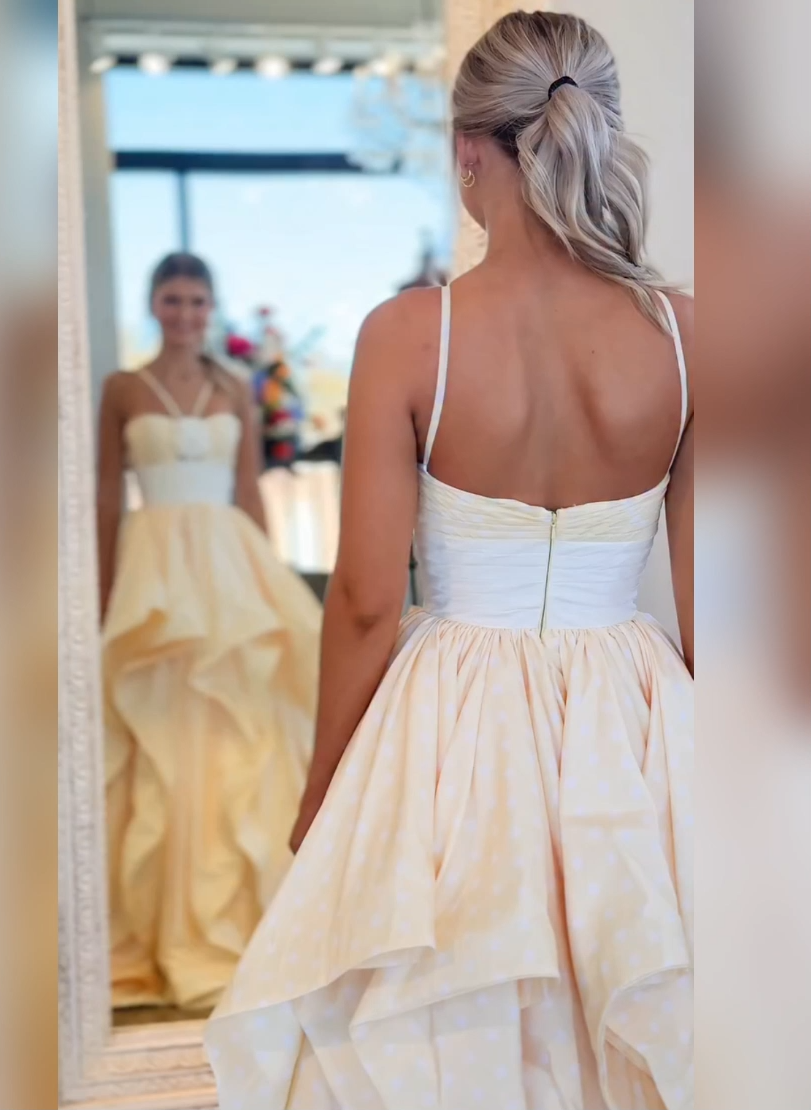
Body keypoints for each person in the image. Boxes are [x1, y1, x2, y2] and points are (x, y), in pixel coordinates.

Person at [206, 11, 693, 1108]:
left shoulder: (408, 332)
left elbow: (365, 599)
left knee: (454, 1033)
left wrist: (326, 787)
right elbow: (726, 615)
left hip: (453, 725)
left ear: (468, 148)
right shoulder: (684, 335)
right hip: (636, 722)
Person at [97, 253, 322, 1013]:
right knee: (160, 732)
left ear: (211, 307)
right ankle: (159, 928)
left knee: (242, 730)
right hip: (153, 569)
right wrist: (100, 592)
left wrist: (272, 577)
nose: (185, 313)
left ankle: (244, 919)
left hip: (229, 567)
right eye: (172, 299)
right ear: (152, 303)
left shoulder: (234, 387)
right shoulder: (122, 388)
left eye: (197, 300)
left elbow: (248, 490)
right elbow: (105, 494)